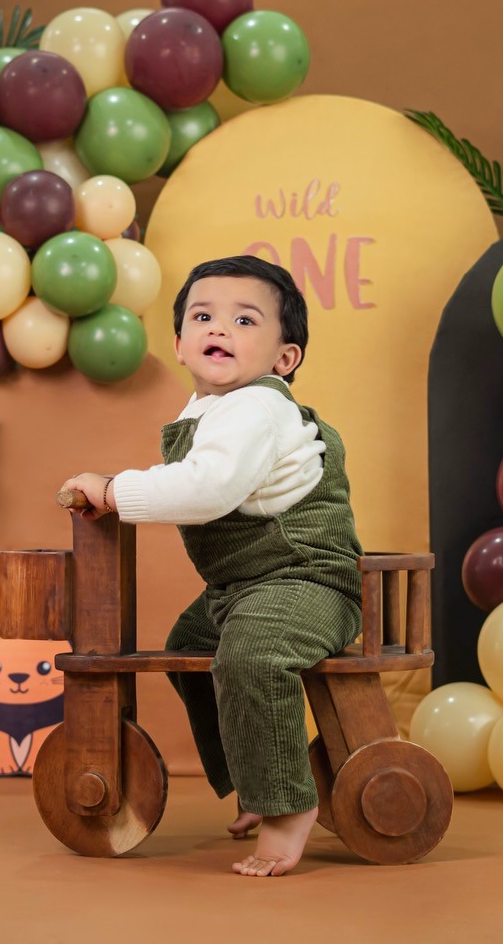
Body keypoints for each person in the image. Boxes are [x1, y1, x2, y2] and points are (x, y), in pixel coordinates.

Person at [62, 255, 363, 877]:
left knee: (251, 655)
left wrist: (114, 490)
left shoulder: (259, 408)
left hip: (307, 579)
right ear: (179, 344)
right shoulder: (207, 412)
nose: (219, 328)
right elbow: (197, 478)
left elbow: (207, 488)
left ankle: (288, 805)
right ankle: (255, 778)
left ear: (285, 358)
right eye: (203, 317)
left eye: (245, 320)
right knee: (189, 646)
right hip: (243, 586)